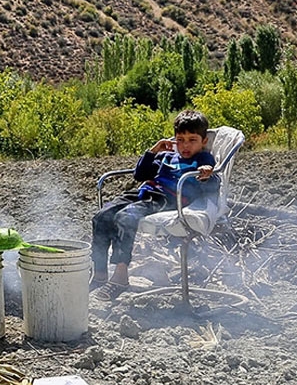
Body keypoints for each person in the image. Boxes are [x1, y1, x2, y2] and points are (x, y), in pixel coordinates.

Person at [90, 109, 220, 302]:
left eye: (192, 140)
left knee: (125, 218)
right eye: (180, 140)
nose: (185, 145)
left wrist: (207, 173)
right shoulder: (167, 155)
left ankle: (120, 275)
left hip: (167, 199)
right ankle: (100, 272)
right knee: (101, 216)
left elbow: (213, 184)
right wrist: (153, 151)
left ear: (203, 142)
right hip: (145, 193)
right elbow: (140, 175)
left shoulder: (202, 160)